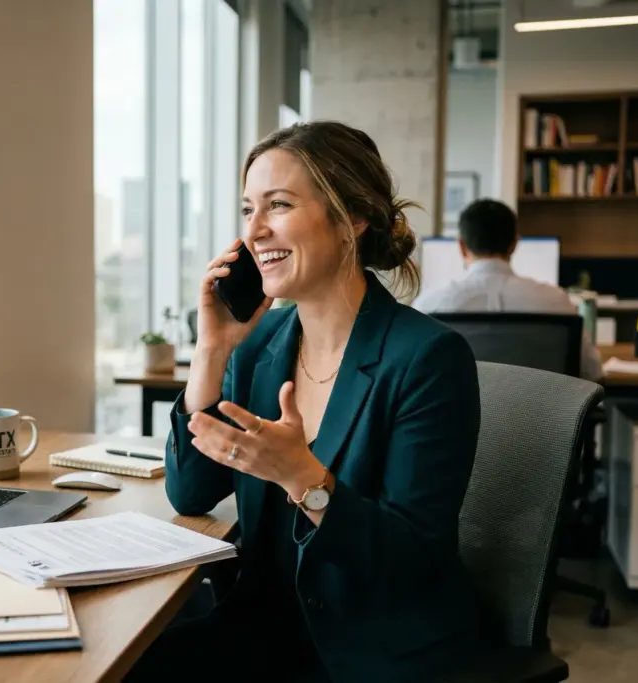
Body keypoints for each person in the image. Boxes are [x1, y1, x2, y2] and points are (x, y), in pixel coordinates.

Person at [126, 121, 483, 683]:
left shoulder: (428, 359)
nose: (256, 231)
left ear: (351, 218)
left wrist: (306, 481)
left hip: (368, 646)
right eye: (248, 210)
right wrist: (212, 351)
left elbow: (414, 564)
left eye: (279, 205)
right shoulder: (260, 346)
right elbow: (191, 491)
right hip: (264, 630)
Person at [412, 198, 603, 382]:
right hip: (540, 414)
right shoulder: (557, 302)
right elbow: (592, 372)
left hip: (457, 414)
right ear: (514, 245)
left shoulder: (428, 306)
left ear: (461, 246)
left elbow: (415, 372)